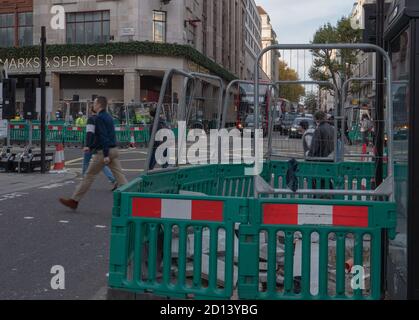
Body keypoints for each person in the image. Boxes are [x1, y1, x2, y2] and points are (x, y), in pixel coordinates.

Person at [59, 96, 128, 210]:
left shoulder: (99, 118)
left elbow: (103, 136)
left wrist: (105, 154)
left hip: (104, 151)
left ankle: (74, 200)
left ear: (99, 105)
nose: (93, 105)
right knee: (120, 177)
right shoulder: (109, 117)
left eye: (95, 103)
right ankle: (132, 200)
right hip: (114, 149)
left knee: (89, 176)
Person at [82, 105, 118, 191]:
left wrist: (87, 145)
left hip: (91, 145)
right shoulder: (101, 119)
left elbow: (89, 133)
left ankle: (84, 182)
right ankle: (113, 179)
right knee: (101, 164)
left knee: (86, 162)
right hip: (100, 145)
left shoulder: (91, 119)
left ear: (91, 110)